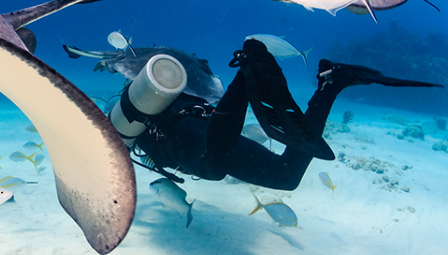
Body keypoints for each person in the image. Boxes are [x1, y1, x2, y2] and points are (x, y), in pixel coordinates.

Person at [116, 39, 441, 189]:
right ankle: (331, 82)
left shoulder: (129, 115)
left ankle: (245, 75)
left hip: (184, 136)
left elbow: (118, 140)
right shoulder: (159, 97)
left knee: (211, 169)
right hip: (206, 124)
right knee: (286, 175)